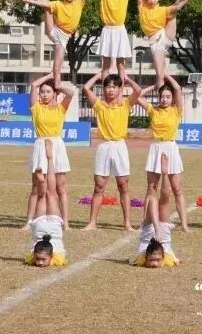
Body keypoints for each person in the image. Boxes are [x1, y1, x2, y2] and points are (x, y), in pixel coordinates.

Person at [81, 71, 145, 231]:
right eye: (108, 87)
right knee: (99, 186)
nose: (111, 90)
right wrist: (98, 76)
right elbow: (86, 88)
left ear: (119, 89)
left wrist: (128, 79)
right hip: (104, 146)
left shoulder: (125, 104)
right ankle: (92, 223)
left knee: (123, 185)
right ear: (104, 89)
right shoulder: (99, 105)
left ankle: (127, 223)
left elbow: (138, 91)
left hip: (119, 146)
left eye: (114, 87)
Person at [12, 0, 88, 89]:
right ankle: (57, 87)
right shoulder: (58, 4)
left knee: (56, 68)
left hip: (64, 37)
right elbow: (41, 4)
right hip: (55, 33)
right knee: (47, 4)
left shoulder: (79, 2)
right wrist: (26, 1)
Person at [23, 73, 75, 231]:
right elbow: (33, 85)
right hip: (40, 144)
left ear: (54, 94)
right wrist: (50, 75)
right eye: (42, 92)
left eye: (48, 92)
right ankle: (29, 222)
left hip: (57, 146)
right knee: (36, 187)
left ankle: (65, 222)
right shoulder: (36, 108)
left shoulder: (60, 108)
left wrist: (58, 86)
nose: (44, 95)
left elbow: (71, 93)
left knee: (60, 187)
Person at [85, 0, 147, 80]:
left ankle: (120, 90)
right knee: (106, 66)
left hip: (120, 30)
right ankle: (105, 89)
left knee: (121, 65)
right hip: (107, 30)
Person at [143, 75, 190, 231]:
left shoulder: (176, 110)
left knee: (177, 189)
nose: (165, 99)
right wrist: (154, 86)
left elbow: (177, 89)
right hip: (156, 148)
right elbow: (137, 96)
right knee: (151, 188)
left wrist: (165, 74)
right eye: (162, 96)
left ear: (172, 98)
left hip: (171, 148)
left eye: (168, 97)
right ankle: (147, 222)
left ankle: (184, 225)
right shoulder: (153, 110)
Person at [136, 0, 195, 86]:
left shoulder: (162, 9)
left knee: (173, 11)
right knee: (159, 74)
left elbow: (177, 7)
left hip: (165, 34)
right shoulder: (142, 7)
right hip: (156, 42)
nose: (152, 0)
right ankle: (162, 90)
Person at [133, 153, 180, 268]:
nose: (154, 264)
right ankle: (165, 174)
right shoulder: (168, 259)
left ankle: (164, 173)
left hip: (148, 233)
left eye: (156, 260)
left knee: (153, 199)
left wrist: (156, 230)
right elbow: (176, 260)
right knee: (164, 200)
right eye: (153, 260)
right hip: (164, 236)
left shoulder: (140, 259)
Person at [26, 138, 67, 267]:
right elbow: (30, 258)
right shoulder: (55, 258)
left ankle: (43, 179)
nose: (39, 263)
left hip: (50, 230)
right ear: (51, 256)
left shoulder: (58, 257)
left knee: (48, 195)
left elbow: (33, 258)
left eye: (40, 259)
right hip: (42, 230)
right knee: (47, 195)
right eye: (41, 259)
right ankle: (49, 161)